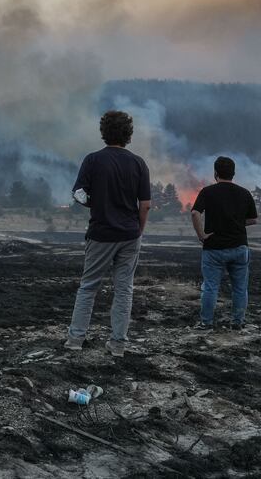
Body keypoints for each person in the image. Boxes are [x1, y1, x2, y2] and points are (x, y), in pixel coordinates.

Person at [65, 110, 151, 357]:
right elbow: (144, 204)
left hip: (101, 233)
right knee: (124, 289)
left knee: (89, 286)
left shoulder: (93, 160)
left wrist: (96, 203)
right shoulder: (138, 163)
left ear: (104, 132)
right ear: (129, 134)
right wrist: (138, 231)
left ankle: (75, 340)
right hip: (129, 235)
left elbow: (78, 193)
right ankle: (117, 345)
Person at [190, 156, 258, 330]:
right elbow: (252, 220)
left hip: (214, 248)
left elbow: (195, 213)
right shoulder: (244, 193)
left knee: (210, 288)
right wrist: (235, 223)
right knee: (240, 289)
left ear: (215, 173)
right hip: (239, 247)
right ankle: (238, 322)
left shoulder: (207, 192)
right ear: (233, 173)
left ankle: (206, 323)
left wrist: (201, 235)